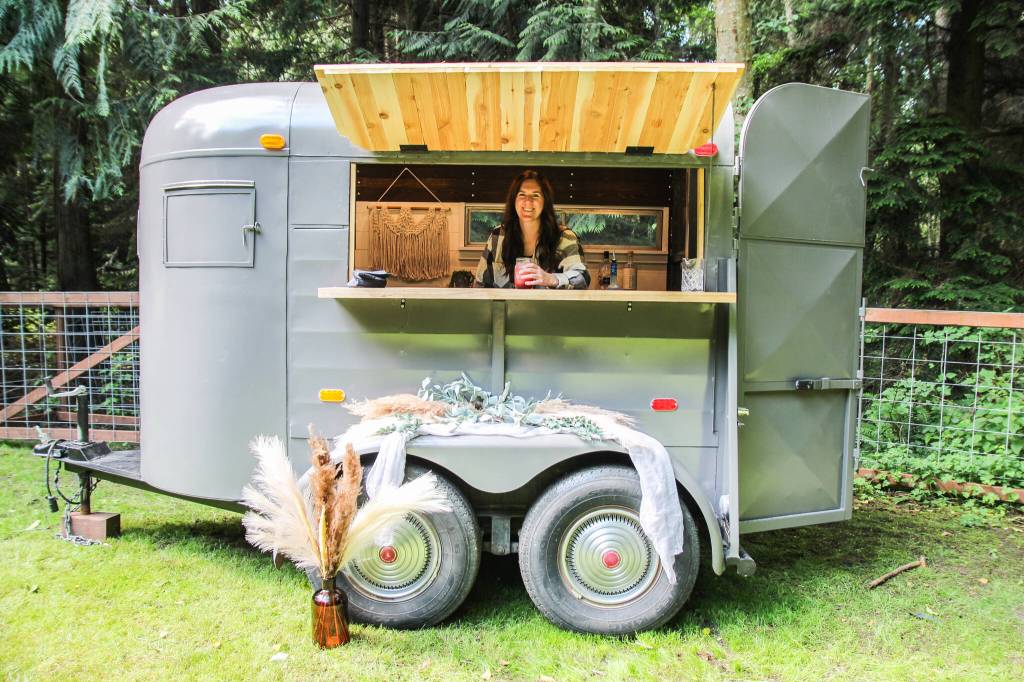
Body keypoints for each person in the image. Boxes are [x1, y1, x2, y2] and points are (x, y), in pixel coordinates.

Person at [474, 170, 590, 289]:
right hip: (508, 308)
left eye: (535, 195)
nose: (528, 201)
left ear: (545, 202)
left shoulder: (564, 238)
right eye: (522, 194)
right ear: (514, 200)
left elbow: (582, 278)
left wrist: (552, 279)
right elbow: (480, 285)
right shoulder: (497, 237)